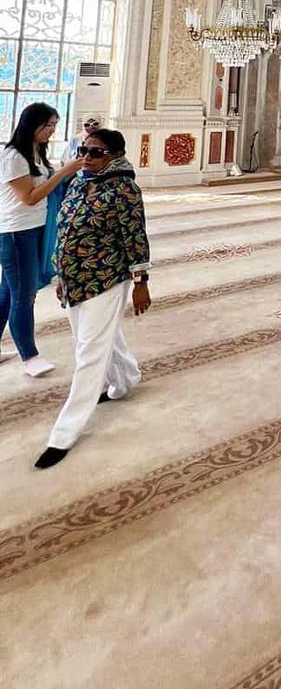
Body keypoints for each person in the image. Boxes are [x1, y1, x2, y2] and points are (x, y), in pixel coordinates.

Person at [35, 129, 151, 469]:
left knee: (88, 353)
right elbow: (66, 229)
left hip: (107, 278)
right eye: (85, 150)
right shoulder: (81, 182)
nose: (87, 156)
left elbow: (135, 236)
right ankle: (126, 378)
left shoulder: (124, 189)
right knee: (102, 338)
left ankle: (64, 433)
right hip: (75, 279)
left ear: (114, 155)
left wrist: (141, 281)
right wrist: (61, 275)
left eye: (96, 152)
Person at [0, 103, 85, 377]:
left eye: (54, 126)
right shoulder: (14, 156)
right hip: (15, 232)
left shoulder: (36, 153)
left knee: (7, 294)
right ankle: (30, 356)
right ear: (31, 124)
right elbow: (29, 198)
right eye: (48, 125)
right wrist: (63, 173)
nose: (51, 131)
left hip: (33, 229)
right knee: (24, 296)